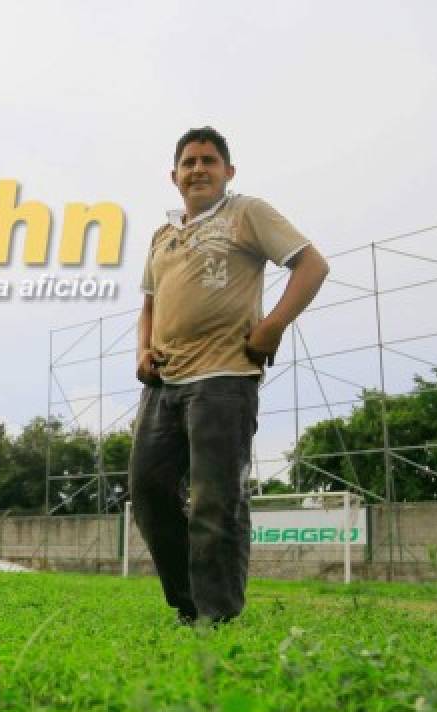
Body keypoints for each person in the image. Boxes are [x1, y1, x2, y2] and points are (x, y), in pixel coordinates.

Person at [129, 127, 329, 624]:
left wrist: (273, 326)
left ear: (228, 171)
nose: (198, 169)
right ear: (174, 176)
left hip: (224, 378)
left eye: (209, 161)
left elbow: (312, 266)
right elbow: (148, 305)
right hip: (165, 383)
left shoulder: (247, 213)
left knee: (216, 501)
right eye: (189, 162)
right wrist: (143, 349)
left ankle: (217, 618)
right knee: (149, 493)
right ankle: (188, 603)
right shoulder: (162, 235)